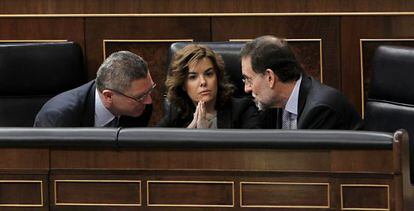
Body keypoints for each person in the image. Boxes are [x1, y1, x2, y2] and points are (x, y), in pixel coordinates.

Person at [240, 35, 362, 129]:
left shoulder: (321, 110)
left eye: (249, 80)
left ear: (270, 77)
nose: (247, 88)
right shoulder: (274, 105)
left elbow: (309, 161)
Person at [34, 51, 154, 127]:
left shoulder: (141, 108)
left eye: (150, 90)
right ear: (108, 96)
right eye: (141, 97)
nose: (149, 101)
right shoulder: (58, 118)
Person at [157, 44, 260, 128]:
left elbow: (251, 150)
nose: (203, 82)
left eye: (209, 74)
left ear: (217, 77)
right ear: (183, 85)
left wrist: (207, 136)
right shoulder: (177, 113)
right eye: (193, 77)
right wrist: (189, 132)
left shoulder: (243, 110)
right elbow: (154, 146)